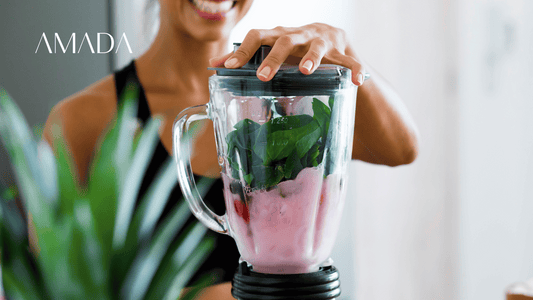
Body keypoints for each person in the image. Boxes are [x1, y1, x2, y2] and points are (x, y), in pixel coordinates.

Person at [42, 0, 419, 298]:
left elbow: (402, 148)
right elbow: (56, 287)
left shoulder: (286, 98)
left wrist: (342, 48)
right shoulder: (83, 119)